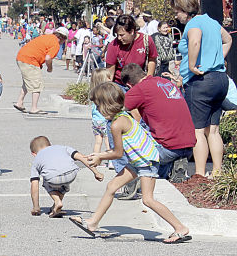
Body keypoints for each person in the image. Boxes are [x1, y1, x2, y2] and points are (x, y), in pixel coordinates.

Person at [71, 82, 190, 244]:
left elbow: (118, 153)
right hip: (138, 160)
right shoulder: (124, 115)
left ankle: (180, 228)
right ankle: (93, 223)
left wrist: (100, 157)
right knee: (112, 186)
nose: (97, 110)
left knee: (148, 199)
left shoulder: (116, 124)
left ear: (107, 105)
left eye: (98, 106)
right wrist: (101, 155)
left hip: (146, 162)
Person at [171, 0, 232, 177]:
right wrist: (218, 59)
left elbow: (195, 41)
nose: (176, 16)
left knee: (197, 130)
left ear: (185, 9)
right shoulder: (212, 22)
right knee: (213, 130)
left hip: (200, 82)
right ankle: (217, 172)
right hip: (220, 79)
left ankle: (199, 174)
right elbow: (228, 39)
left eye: (177, 11)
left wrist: (191, 64)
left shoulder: (194, 23)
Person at [121, 63, 195, 182]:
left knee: (119, 125)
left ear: (129, 84)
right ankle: (172, 166)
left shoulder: (140, 88)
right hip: (189, 145)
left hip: (167, 148)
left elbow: (117, 108)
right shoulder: (166, 82)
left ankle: (132, 181)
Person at [29, 136, 103, 218]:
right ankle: (55, 208)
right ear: (50, 145)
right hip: (71, 174)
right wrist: (96, 172)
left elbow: (34, 184)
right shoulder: (63, 148)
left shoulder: (37, 159)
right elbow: (82, 158)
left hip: (53, 178)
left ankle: (57, 202)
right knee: (63, 183)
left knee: (47, 181)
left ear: (33, 153)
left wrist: (36, 207)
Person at [14, 27, 69, 114]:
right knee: (37, 84)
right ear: (63, 38)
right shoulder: (56, 44)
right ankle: (34, 108)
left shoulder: (46, 37)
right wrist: (49, 68)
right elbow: (48, 58)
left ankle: (19, 102)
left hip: (21, 57)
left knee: (28, 82)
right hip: (30, 60)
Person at [104, 14, 158, 86]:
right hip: (120, 85)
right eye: (117, 35)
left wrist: (148, 80)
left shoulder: (146, 40)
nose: (119, 38)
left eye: (122, 35)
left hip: (140, 83)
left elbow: (152, 59)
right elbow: (110, 72)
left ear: (132, 31)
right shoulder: (113, 45)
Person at [90, 68, 113, 166]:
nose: (110, 78)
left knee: (98, 142)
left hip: (95, 121)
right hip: (104, 120)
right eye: (108, 77)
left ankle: (95, 160)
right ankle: (112, 161)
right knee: (109, 141)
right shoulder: (105, 93)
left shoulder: (93, 93)